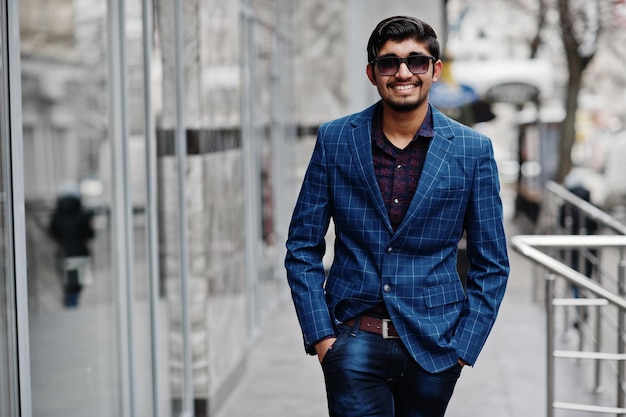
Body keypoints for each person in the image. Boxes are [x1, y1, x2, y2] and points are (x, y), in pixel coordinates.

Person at [285, 16, 509, 417]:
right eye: (389, 63)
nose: (403, 73)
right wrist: (321, 337)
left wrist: (463, 349)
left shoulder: (473, 150)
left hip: (436, 347)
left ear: (435, 70)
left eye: (417, 62)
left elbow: (491, 263)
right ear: (372, 73)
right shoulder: (336, 139)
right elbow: (302, 245)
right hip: (353, 339)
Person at [49, 185, 95, 307]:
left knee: (67, 283)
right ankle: (72, 304)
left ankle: (70, 303)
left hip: (63, 251)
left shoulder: (57, 215)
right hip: (80, 251)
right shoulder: (81, 214)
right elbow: (90, 234)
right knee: (78, 283)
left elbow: (52, 232)